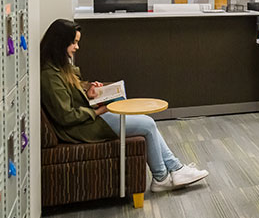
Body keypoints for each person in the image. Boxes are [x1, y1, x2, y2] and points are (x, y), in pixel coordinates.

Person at [40, 19, 209, 193]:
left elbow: (70, 95)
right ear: (60, 42)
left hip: (87, 120)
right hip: (80, 128)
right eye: (74, 42)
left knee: (146, 122)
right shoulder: (50, 75)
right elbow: (67, 116)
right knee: (148, 124)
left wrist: (88, 92)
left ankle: (173, 170)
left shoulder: (60, 66)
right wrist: (99, 110)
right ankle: (163, 176)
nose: (77, 47)